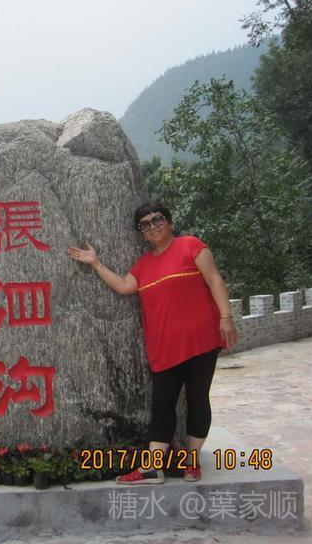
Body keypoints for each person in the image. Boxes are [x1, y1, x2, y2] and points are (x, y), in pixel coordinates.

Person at [67, 201, 237, 484]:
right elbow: (124, 286)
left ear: (169, 222)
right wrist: (96, 263)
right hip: (164, 347)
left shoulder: (191, 246)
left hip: (200, 340)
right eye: (144, 224)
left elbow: (214, 279)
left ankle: (191, 462)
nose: (152, 227)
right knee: (162, 406)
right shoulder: (145, 264)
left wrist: (226, 317)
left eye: (157, 219)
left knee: (197, 398)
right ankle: (152, 468)